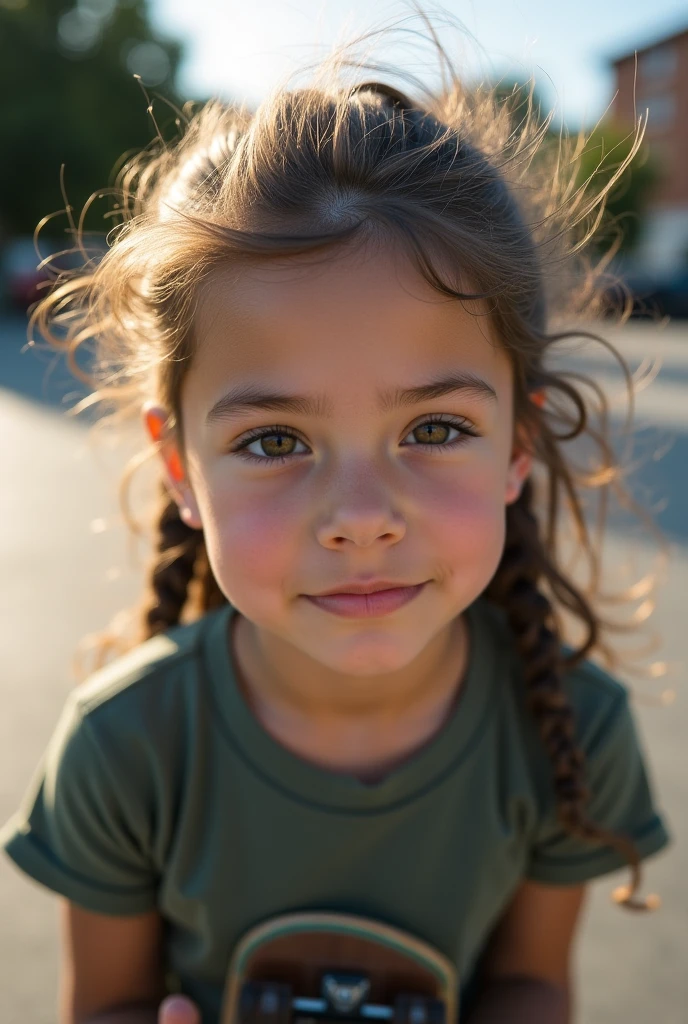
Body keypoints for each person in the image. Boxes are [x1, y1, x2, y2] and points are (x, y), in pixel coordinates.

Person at [0, 12, 671, 1024]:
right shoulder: (125, 747)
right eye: (275, 441)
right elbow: (104, 1002)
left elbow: (533, 982)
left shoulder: (570, 728)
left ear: (516, 449)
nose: (360, 519)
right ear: (180, 465)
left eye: (435, 426)